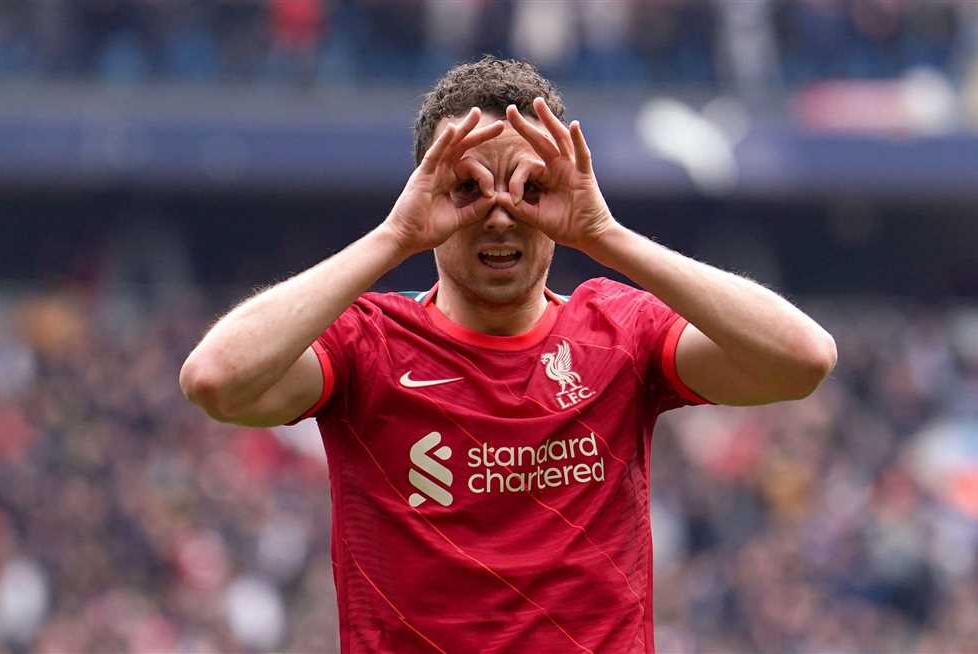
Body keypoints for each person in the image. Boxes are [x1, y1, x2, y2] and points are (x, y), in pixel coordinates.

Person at [180, 56, 837, 653]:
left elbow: (802, 359)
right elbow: (215, 379)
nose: (499, 215)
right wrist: (393, 235)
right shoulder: (367, 341)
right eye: (466, 188)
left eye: (529, 187)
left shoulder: (619, 330)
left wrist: (606, 235)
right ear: (425, 191)